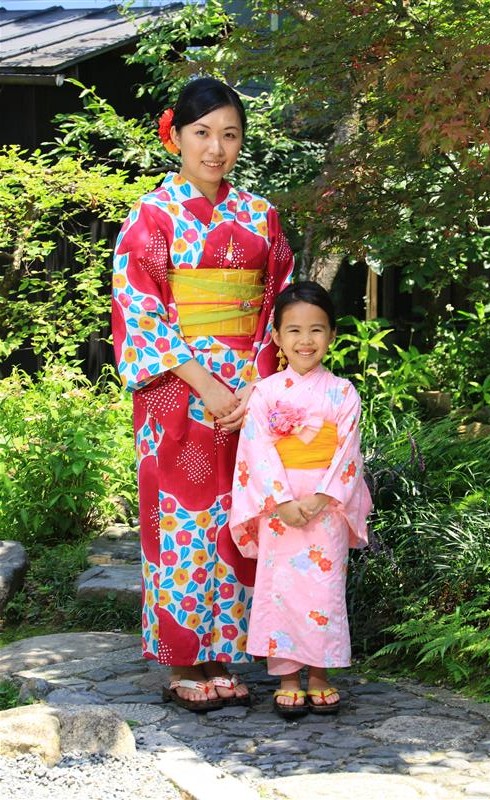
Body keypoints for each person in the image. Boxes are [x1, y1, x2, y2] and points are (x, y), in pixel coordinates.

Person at [111, 77, 293, 711]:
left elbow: (278, 306)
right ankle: (185, 659)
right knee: (182, 521)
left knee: (240, 519)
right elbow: (141, 313)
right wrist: (207, 385)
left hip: (248, 390)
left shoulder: (260, 215)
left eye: (230, 134)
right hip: (176, 390)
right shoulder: (151, 216)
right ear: (176, 137)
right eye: (202, 133)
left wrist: (259, 381)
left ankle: (226, 653)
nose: (216, 148)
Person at [229, 281, 372, 718]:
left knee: (324, 591)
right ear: (276, 336)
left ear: (332, 334)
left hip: (326, 508)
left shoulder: (343, 392)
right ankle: (288, 678)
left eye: (316, 329)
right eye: (293, 330)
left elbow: (348, 452)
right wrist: (282, 500)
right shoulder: (265, 392)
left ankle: (321, 674)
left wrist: (323, 497)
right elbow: (256, 450)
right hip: (279, 509)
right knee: (280, 591)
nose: (305, 340)